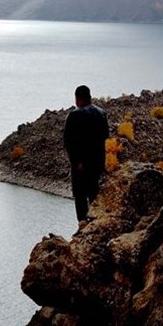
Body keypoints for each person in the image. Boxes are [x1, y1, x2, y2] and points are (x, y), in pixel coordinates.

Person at [63, 84, 110, 225]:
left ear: (77, 99)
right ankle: (96, 220)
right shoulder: (101, 113)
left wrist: (77, 161)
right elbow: (106, 137)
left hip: (81, 164)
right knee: (94, 192)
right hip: (98, 162)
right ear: (89, 97)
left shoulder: (75, 115)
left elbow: (68, 142)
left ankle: (83, 224)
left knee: (80, 194)